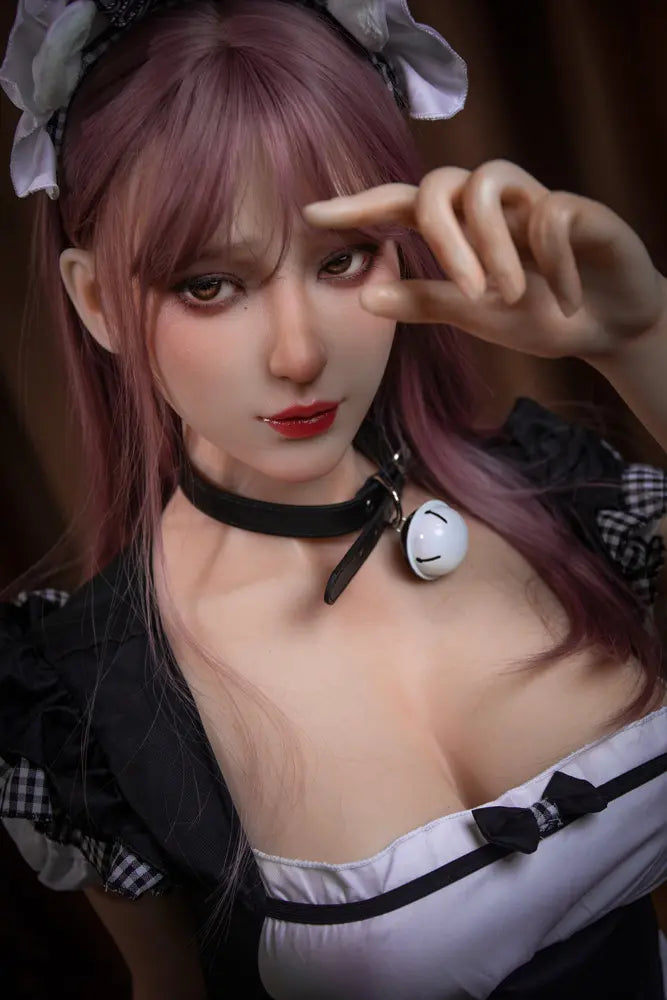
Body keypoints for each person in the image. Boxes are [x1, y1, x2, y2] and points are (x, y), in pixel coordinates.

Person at [0, 1, 665, 998]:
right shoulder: (91, 703)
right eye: (210, 284)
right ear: (97, 301)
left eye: (341, 258)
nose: (299, 352)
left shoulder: (561, 493)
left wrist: (642, 340)